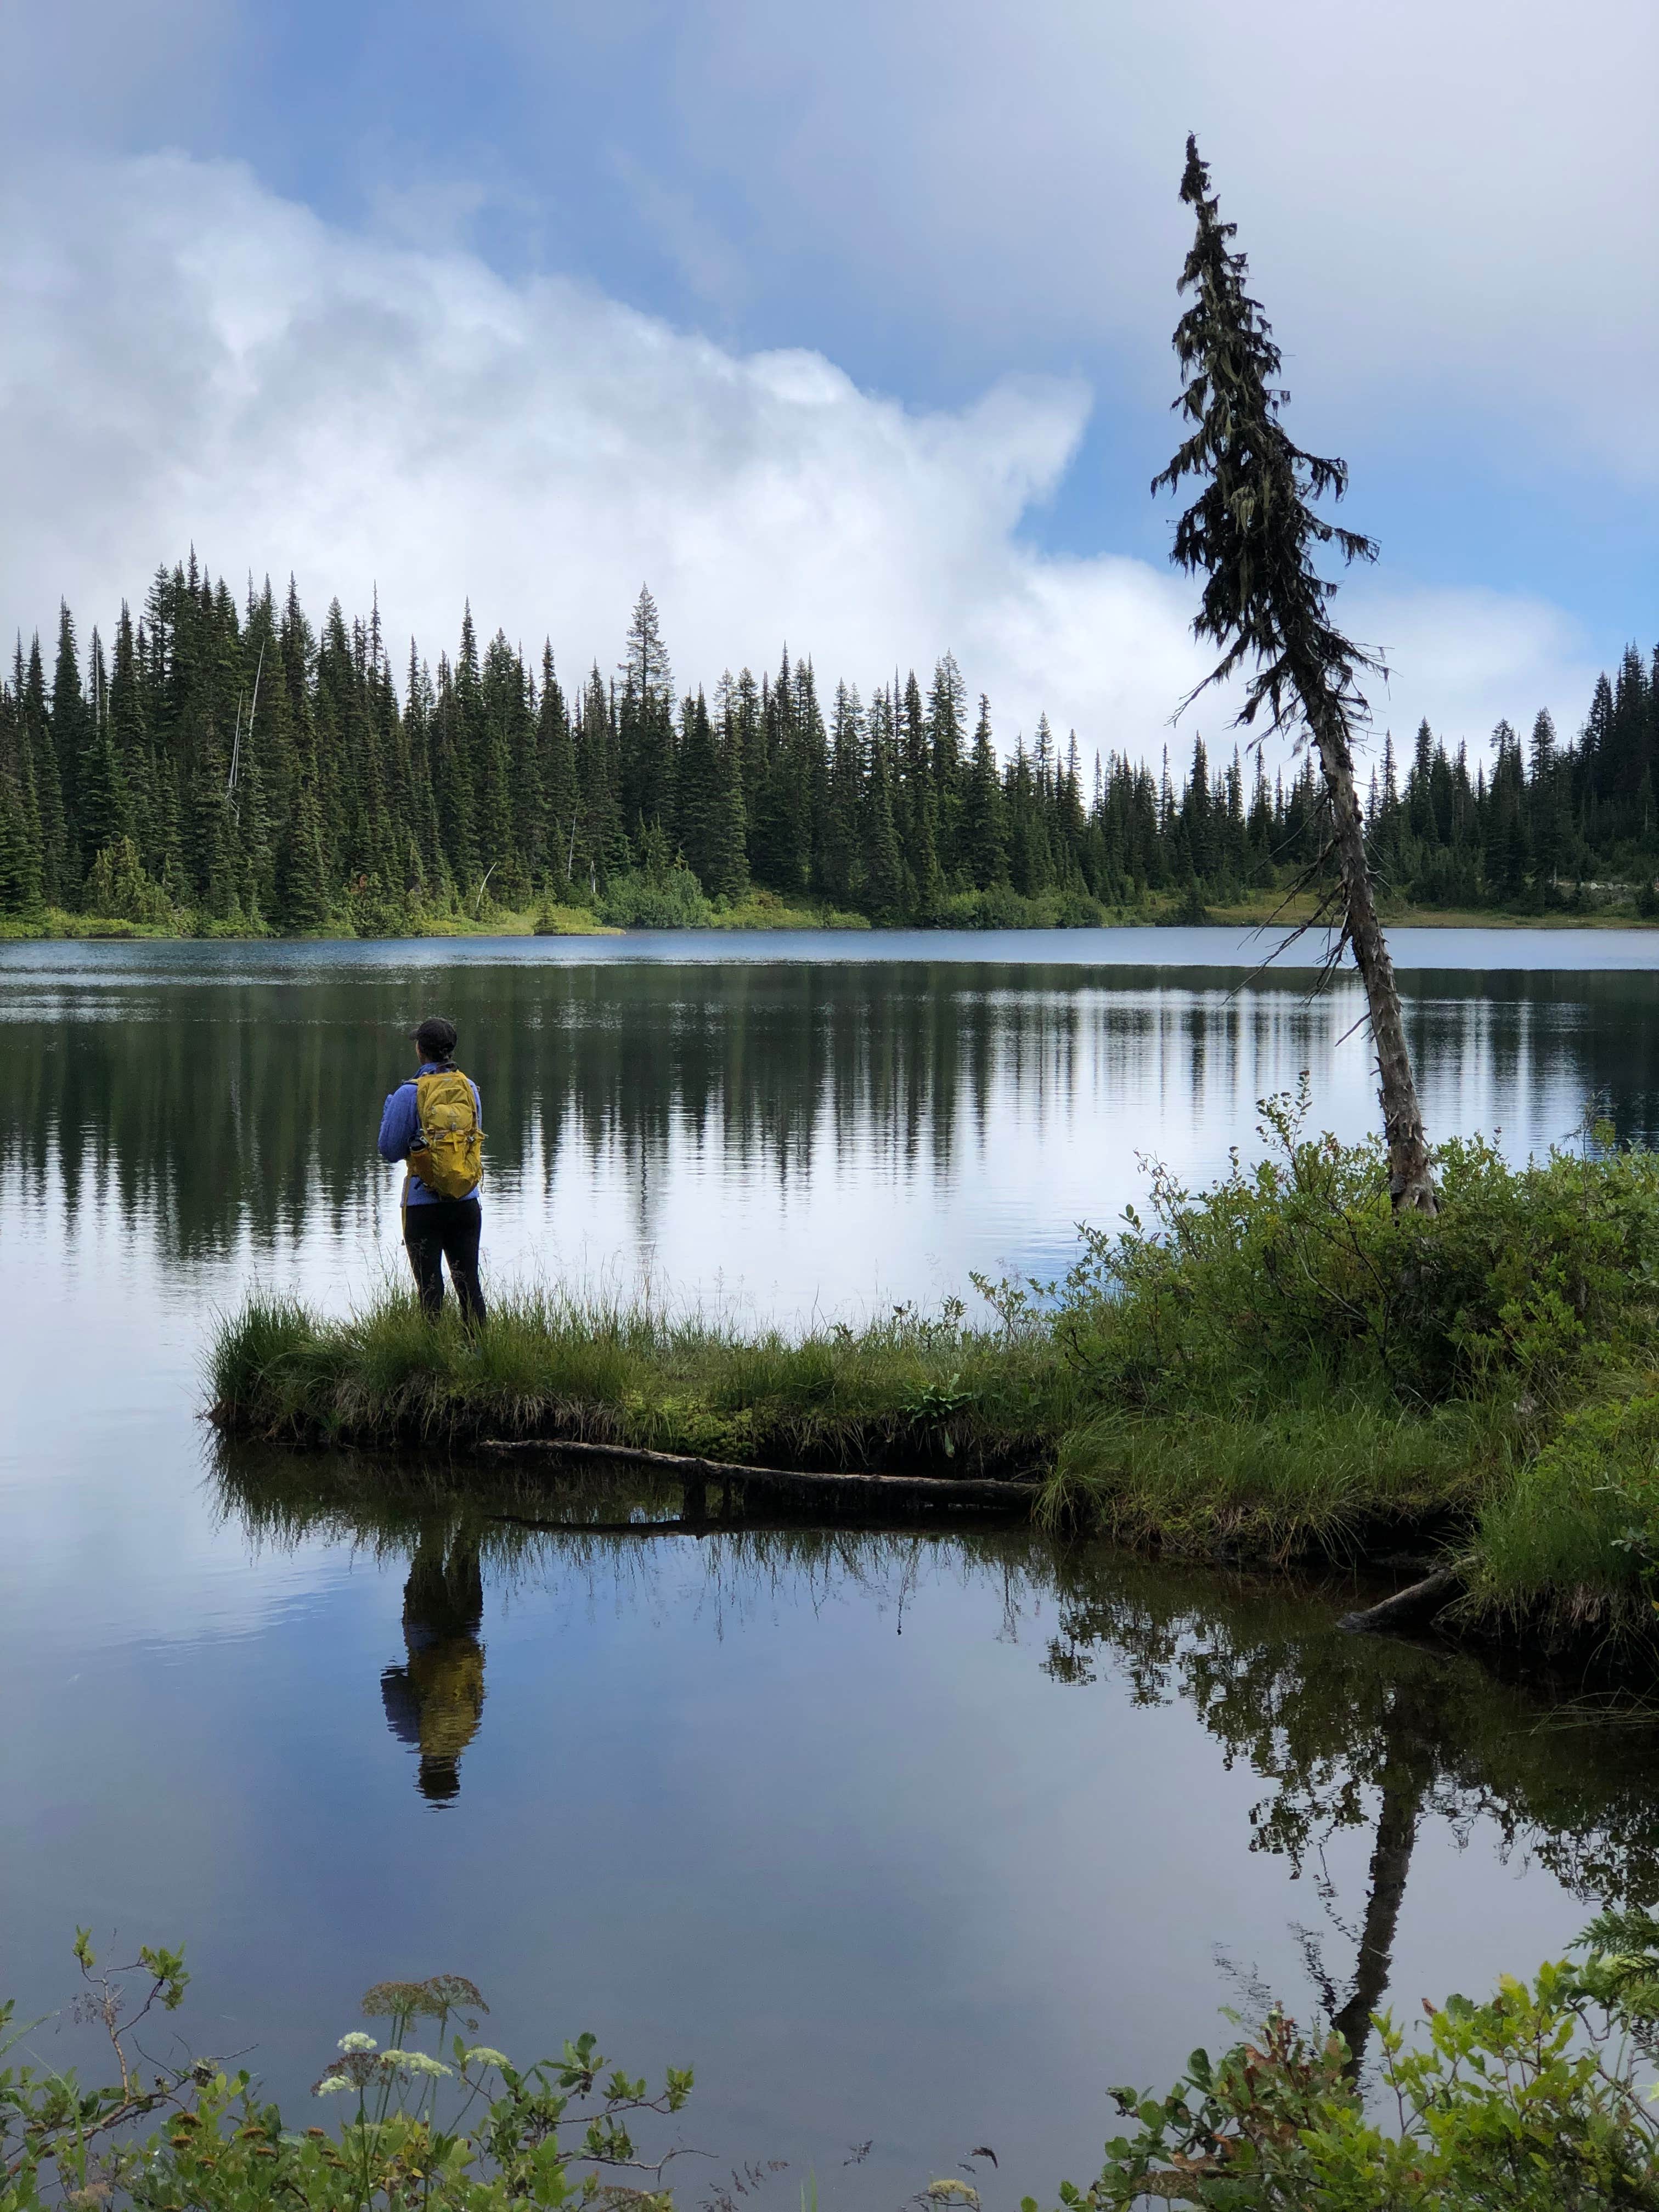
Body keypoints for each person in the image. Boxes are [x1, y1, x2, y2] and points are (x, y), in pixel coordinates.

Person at [378, 1014, 487, 1326]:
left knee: (430, 1290)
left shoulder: (408, 1094)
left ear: (420, 1050)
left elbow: (389, 1151)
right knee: (469, 1286)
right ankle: (479, 1355)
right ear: (450, 1050)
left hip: (423, 1205)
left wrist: (391, 1108)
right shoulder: (470, 1089)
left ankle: (432, 1362)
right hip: (466, 1200)